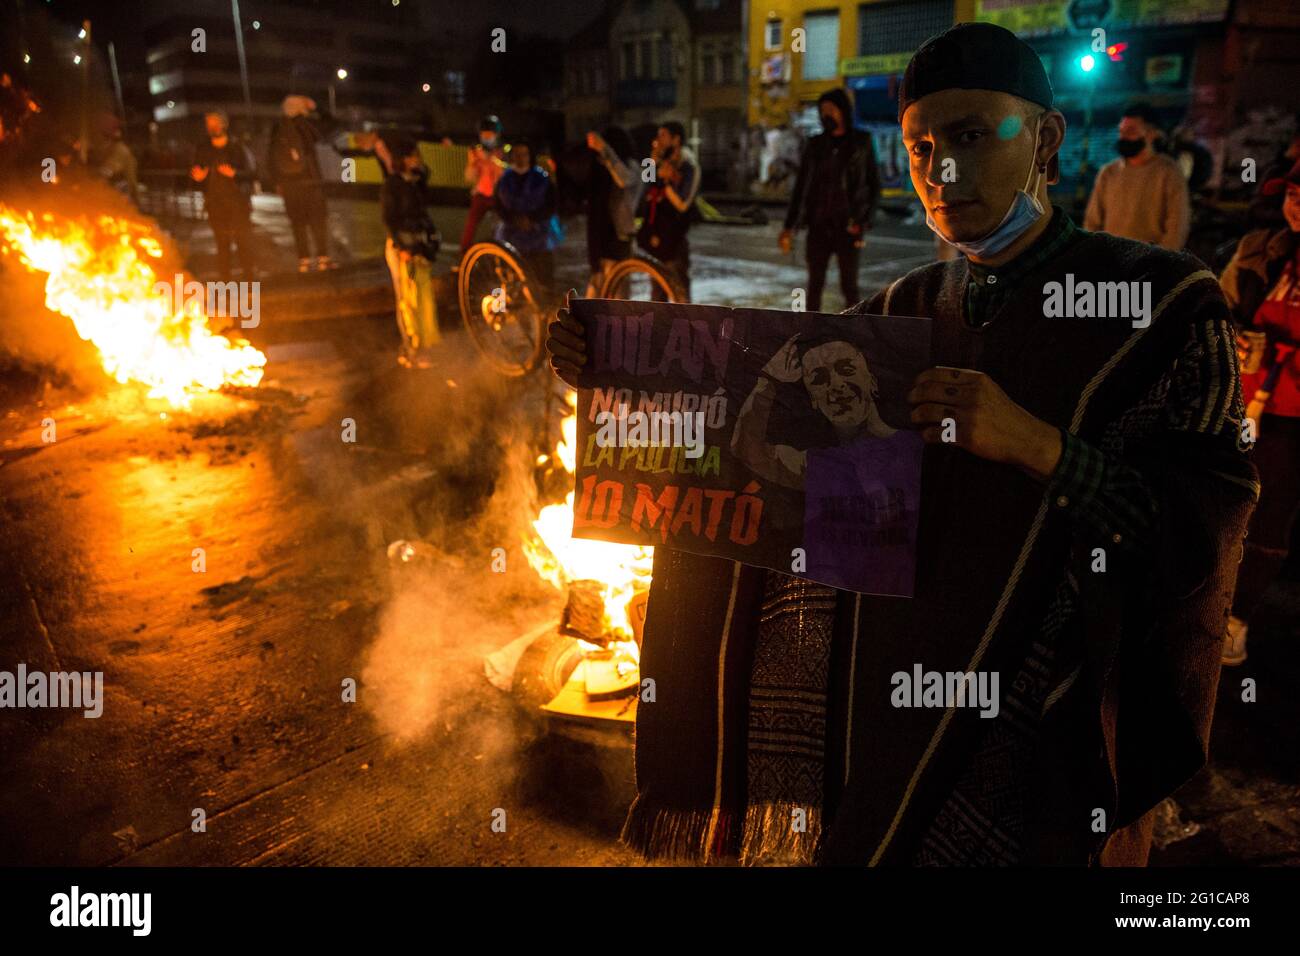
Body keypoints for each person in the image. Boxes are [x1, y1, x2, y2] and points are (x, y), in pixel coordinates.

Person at [548, 21, 1256, 867]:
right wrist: (620, 372)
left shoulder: (1161, 306)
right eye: (921, 147)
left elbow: (1196, 541)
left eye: (969, 135)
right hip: (895, 722)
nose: (941, 171)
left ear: (1046, 138)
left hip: (1056, 746)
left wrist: (1037, 445)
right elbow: (744, 424)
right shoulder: (896, 317)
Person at [731, 333, 923, 596]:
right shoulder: (817, 465)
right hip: (823, 611)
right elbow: (747, 448)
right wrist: (769, 381)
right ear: (813, 400)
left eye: (846, 370)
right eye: (819, 379)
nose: (836, 385)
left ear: (872, 382)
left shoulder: (915, 449)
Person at [1217, 157, 1300, 665]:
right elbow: (1217, 310)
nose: (1298, 205)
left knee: (1270, 519)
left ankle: (1236, 620)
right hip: (1245, 405)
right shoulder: (1260, 252)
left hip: (1292, 421)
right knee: (1224, 503)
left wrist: (1281, 352)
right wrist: (1234, 335)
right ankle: (1204, 601)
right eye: (1292, 194)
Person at [779, 88, 880, 312]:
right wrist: (789, 226)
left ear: (843, 110)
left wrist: (863, 221)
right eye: (823, 110)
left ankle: (855, 331)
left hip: (848, 227)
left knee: (849, 287)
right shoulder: (815, 145)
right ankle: (811, 331)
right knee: (814, 285)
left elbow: (874, 186)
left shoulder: (861, 143)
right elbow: (801, 188)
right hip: (818, 226)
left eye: (831, 109)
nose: (827, 115)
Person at [1083, 103, 1190, 250]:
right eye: (1121, 131)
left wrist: (1161, 263)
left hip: (1150, 263)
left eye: (1131, 131)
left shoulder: (1169, 172)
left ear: (1152, 134)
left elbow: (1177, 227)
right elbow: (1092, 222)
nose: (1123, 137)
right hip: (1111, 261)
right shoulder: (1109, 172)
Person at [381, 138, 441, 368]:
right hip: (401, 248)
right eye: (413, 156)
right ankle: (410, 348)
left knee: (424, 297)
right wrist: (401, 246)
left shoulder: (416, 182)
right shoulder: (392, 185)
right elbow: (389, 219)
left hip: (419, 245)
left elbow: (424, 209)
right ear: (402, 160)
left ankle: (426, 344)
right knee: (406, 299)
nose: (417, 160)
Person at [267, 94, 335, 272]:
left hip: (290, 186)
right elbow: (332, 125)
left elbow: (271, 159)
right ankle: (322, 258)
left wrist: (277, 183)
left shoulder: (278, 128)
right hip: (310, 182)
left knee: (297, 224)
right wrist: (316, 107)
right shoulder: (306, 125)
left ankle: (303, 260)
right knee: (318, 221)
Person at [637, 121, 699, 300]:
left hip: (674, 241)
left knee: (680, 295)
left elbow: (683, 204)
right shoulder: (656, 163)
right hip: (655, 240)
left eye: (663, 135)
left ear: (676, 139)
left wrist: (666, 182)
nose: (658, 140)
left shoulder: (688, 166)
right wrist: (651, 163)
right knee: (657, 297)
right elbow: (644, 191)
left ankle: (688, 327)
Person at [191, 111, 256, 281]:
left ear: (224, 124)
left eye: (215, 123)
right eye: (209, 124)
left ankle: (249, 280)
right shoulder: (203, 149)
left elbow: (252, 173)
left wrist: (235, 173)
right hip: (215, 204)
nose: (212, 127)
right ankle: (226, 283)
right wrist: (197, 178)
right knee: (222, 245)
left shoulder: (237, 147)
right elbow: (195, 174)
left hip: (238, 203)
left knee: (243, 243)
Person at [493, 138, 562, 294]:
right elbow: (498, 205)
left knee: (542, 277)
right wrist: (514, 219)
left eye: (524, 154)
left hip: (540, 236)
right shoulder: (504, 180)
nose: (521, 158)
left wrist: (532, 219)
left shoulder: (542, 179)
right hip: (512, 236)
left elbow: (551, 204)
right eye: (517, 154)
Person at [584, 126, 639, 294]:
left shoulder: (635, 166)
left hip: (620, 239)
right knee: (595, 297)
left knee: (618, 295)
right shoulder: (601, 170)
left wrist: (605, 150)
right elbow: (594, 211)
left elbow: (624, 179)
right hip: (601, 241)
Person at [461, 115, 506, 252]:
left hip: (498, 196)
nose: (486, 138)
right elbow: (469, 177)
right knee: (470, 225)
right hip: (480, 195)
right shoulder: (476, 151)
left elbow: (505, 175)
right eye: (484, 134)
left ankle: (498, 253)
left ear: (497, 135)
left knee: (500, 226)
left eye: (490, 134)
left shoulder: (503, 151)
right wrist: (474, 162)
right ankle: (464, 253)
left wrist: (493, 161)